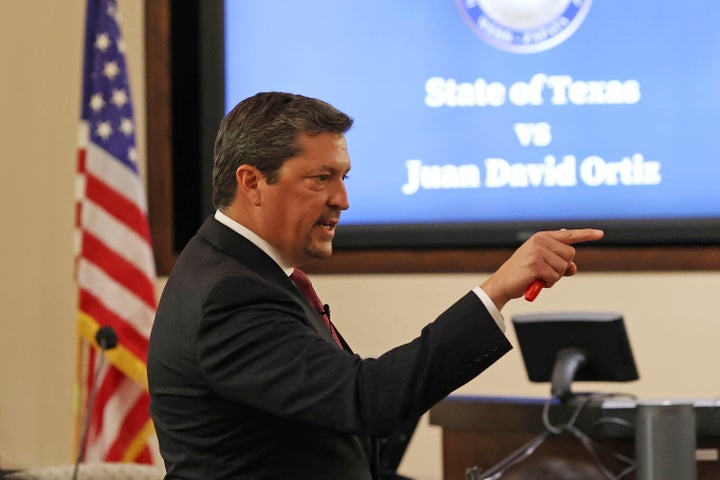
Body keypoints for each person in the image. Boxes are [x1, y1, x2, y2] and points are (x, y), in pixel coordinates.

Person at [147, 91, 604, 480]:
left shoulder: (236, 268)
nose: (342, 200)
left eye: (343, 178)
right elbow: (368, 400)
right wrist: (499, 288)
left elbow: (328, 439)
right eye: (321, 178)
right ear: (251, 182)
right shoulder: (231, 294)